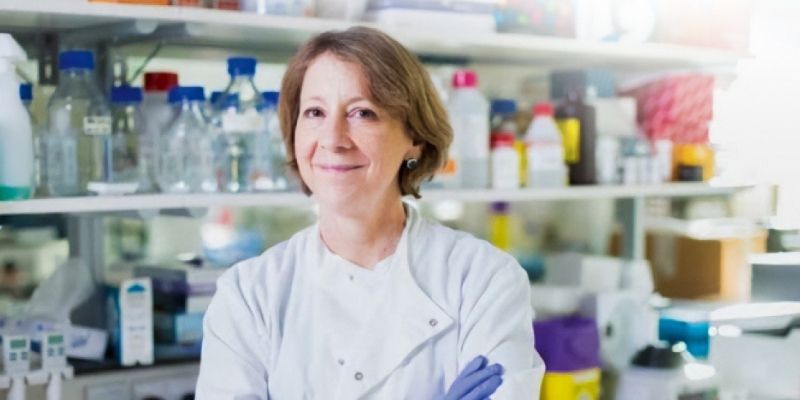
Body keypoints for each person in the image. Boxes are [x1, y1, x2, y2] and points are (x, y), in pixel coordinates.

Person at [196, 26, 545, 399]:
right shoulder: (249, 295)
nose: (332, 139)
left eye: (362, 113)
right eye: (314, 112)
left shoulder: (482, 280)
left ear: (415, 138)